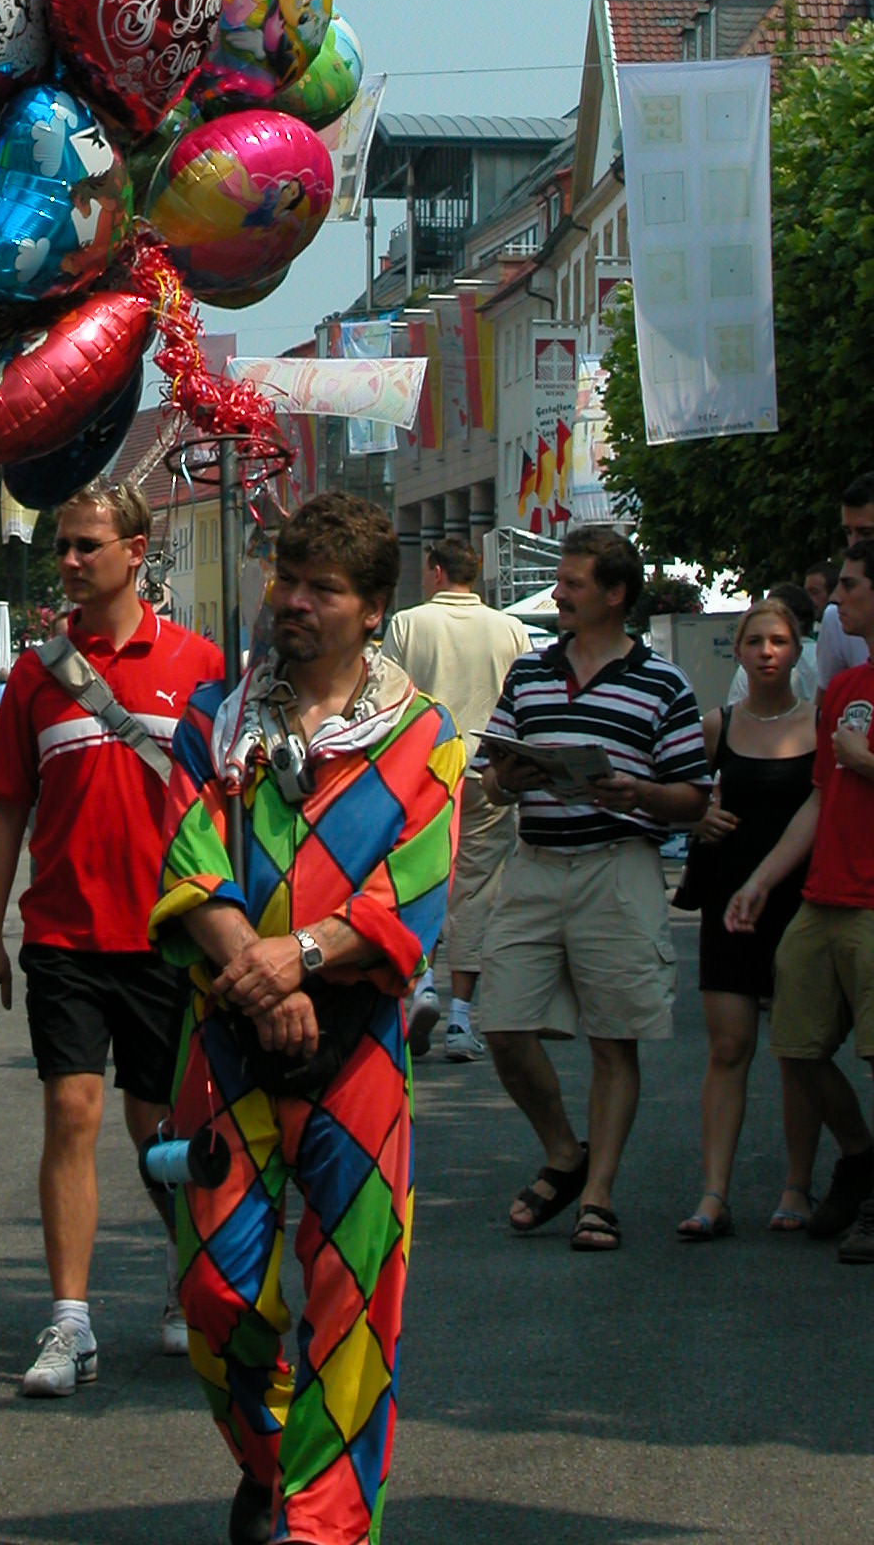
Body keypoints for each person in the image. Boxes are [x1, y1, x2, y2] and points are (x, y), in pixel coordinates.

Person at [152, 493, 463, 1545]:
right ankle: (272, 1457)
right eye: (285, 579)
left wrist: (304, 957)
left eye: (321, 587)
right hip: (227, 1040)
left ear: (372, 608)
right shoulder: (214, 721)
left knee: (354, 1299)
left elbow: (411, 893)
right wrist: (265, 971)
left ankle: (325, 1527)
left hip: (359, 1051)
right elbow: (190, 864)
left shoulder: (425, 736)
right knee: (216, 1294)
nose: (292, 600)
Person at [0, 480, 223, 1395]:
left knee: (162, 1126)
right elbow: (6, 809)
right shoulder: (36, 674)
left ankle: (186, 1269)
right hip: (65, 933)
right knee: (70, 1112)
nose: (70, 562)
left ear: (136, 551)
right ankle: (69, 1322)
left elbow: (228, 803)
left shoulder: (200, 662)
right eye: (62, 546)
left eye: (87, 545)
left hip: (169, 936)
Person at [475, 523, 709, 1252]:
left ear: (615, 595)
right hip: (537, 864)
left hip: (618, 865)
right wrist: (508, 777)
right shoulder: (529, 672)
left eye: (572, 584)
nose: (558, 595)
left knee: (615, 1039)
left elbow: (693, 797)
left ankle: (598, 1197)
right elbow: (491, 780)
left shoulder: (663, 683)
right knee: (501, 1024)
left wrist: (641, 792)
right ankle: (563, 1153)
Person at [728, 544, 874, 1258]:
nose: (835, 599)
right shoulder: (844, 689)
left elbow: (855, 770)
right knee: (795, 1046)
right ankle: (862, 1159)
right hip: (823, 896)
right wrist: (761, 879)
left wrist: (868, 762)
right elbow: (821, 796)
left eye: (849, 585)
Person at [676, 599, 818, 1238]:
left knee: (796, 1052)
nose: (767, 652)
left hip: (801, 900)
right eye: (756, 641)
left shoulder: (819, 724)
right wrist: (698, 818)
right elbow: (679, 798)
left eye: (779, 641)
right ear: (737, 650)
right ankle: (714, 1194)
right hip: (729, 898)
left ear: (797, 650)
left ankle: (797, 1185)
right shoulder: (718, 725)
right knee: (729, 1046)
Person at [381, 538, 530, 1062]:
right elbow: (524, 700)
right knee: (477, 888)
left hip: (422, 771)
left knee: (421, 878)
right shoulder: (509, 628)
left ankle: (422, 984)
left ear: (438, 571)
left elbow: (385, 697)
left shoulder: (408, 624)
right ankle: (462, 1018)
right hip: (487, 771)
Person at [814, 474, 874, 691]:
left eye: (866, 533)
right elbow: (829, 702)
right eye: (848, 532)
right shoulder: (837, 619)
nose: (854, 543)